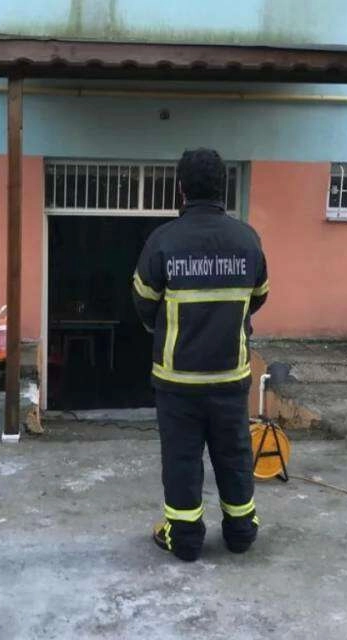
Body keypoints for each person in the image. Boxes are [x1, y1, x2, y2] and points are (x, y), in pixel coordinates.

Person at [132, 149, 269, 561]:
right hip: (230, 377)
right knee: (234, 454)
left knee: (182, 459)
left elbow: (143, 301)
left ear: (181, 189)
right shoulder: (248, 239)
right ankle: (241, 532)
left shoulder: (164, 240)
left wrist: (166, 328)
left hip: (178, 382)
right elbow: (258, 297)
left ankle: (186, 540)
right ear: (223, 188)